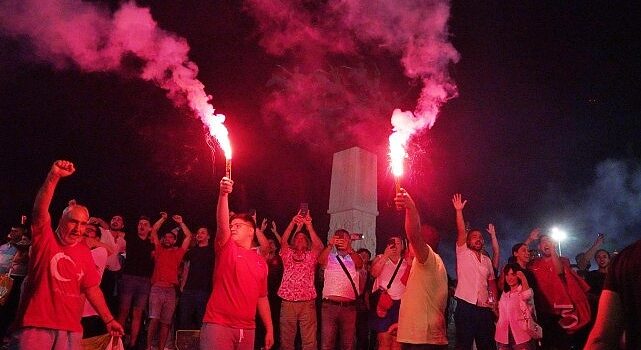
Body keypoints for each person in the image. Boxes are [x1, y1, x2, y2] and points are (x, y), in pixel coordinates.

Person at [10, 160, 123, 349]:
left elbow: (92, 289)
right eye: (73, 222)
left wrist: (109, 320)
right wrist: (53, 177)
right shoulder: (45, 239)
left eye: (83, 224)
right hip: (37, 326)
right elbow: (40, 210)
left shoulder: (84, 252)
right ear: (61, 220)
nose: (79, 229)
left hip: (71, 330)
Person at [200, 177, 273, 350]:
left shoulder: (260, 262)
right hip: (219, 325)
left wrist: (269, 328)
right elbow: (222, 225)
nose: (232, 227)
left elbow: (262, 297)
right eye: (232, 225)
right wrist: (223, 194)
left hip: (247, 329)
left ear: (251, 231)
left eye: (238, 225)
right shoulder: (227, 249)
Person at [396, 189, 448, 349]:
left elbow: (414, 234)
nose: (409, 244)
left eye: (411, 243)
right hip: (419, 336)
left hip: (423, 341)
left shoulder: (428, 259)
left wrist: (410, 208)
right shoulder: (426, 265)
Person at [451, 194, 498, 350]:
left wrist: (493, 300)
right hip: (466, 307)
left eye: (480, 237)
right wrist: (459, 211)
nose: (478, 239)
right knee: (464, 345)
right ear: (468, 240)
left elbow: (491, 281)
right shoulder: (463, 252)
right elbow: (461, 231)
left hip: (484, 309)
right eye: (474, 237)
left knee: (488, 345)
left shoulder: (486, 260)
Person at [528, 235, 591, 349]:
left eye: (549, 241)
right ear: (539, 246)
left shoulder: (562, 260)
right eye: (544, 241)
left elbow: (560, 271)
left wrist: (552, 250)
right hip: (543, 311)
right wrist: (529, 240)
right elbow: (519, 257)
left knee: (563, 344)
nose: (547, 243)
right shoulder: (534, 264)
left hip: (560, 312)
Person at [277, 211, 323, 350]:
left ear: (307, 241)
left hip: (307, 302)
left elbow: (320, 247)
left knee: (309, 340)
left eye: (303, 238)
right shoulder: (287, 254)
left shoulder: (311, 256)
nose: (300, 239)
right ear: (294, 241)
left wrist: (309, 226)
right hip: (288, 301)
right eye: (297, 238)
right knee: (286, 338)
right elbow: (283, 241)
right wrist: (292, 223)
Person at [584, 238, 641, 349]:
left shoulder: (626, 259)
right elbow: (602, 337)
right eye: (598, 257)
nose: (601, 259)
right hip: (601, 316)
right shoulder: (593, 275)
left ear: (609, 259)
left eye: (604, 256)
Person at [146, 212, 192, 350]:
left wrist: (181, 223)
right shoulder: (159, 250)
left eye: (171, 237)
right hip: (157, 288)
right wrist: (163, 219)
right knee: (154, 319)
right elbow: (153, 230)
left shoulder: (178, 253)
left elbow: (189, 236)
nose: (168, 239)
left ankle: (160, 348)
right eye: (165, 237)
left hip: (171, 290)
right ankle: (148, 347)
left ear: (174, 240)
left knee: (166, 322)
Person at [318, 229, 364, 350]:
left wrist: (350, 250)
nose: (341, 240)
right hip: (329, 307)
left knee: (348, 344)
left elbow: (360, 264)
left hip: (349, 307)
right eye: (338, 237)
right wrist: (329, 245)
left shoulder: (354, 257)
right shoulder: (330, 257)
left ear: (349, 240)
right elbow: (320, 261)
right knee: (326, 343)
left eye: (344, 238)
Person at [117, 215, 155, 349]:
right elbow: (114, 231)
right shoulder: (130, 238)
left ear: (150, 228)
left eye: (145, 224)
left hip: (144, 281)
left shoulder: (152, 244)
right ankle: (117, 343)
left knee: (138, 314)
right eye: (140, 223)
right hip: (129, 278)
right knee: (123, 311)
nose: (142, 226)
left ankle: (132, 344)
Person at [369, 236, 409, 350]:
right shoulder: (380, 258)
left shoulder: (406, 262)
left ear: (402, 246)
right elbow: (374, 273)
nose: (395, 246)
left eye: (398, 243)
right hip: (383, 303)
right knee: (383, 340)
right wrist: (386, 255)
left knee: (397, 342)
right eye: (392, 243)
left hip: (401, 305)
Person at [177, 226, 214, 330]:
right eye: (198, 232)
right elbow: (184, 267)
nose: (199, 234)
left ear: (209, 236)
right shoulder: (192, 251)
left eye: (203, 232)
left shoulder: (213, 252)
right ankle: (183, 345)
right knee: (184, 319)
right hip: (188, 290)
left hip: (204, 290)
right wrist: (182, 285)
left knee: (201, 320)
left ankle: (202, 344)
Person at [494, 263, 537, 350]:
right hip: (503, 336)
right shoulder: (505, 294)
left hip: (521, 335)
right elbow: (502, 316)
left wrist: (523, 277)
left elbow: (527, 296)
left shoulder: (522, 290)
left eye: (513, 274)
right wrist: (494, 309)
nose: (509, 278)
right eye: (507, 275)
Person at [0, 224, 30, 342]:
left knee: (11, 309)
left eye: (16, 231)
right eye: (11, 231)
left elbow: (21, 260)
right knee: (1, 305)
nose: (13, 233)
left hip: (17, 280)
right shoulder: (3, 247)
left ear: (23, 232)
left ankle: (7, 335)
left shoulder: (26, 246)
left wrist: (23, 246)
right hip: (3, 281)